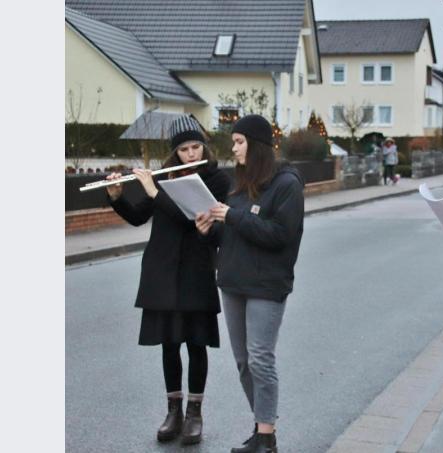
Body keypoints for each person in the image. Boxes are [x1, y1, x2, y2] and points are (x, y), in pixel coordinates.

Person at [105, 115, 230, 445]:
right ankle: (173, 411)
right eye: (184, 149)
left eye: (195, 147)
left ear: (203, 146)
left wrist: (153, 191)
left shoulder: (216, 180)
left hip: (197, 270)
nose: (191, 154)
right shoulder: (164, 177)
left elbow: (192, 219)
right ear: (175, 153)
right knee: (170, 343)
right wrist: (117, 196)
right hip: (161, 271)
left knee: (196, 343)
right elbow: (138, 217)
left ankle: (194, 414)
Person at [195, 114, 305, 453]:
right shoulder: (239, 184)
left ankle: (267, 437)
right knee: (243, 361)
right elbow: (234, 231)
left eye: (239, 142)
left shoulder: (287, 185)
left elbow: (281, 236)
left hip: (266, 285)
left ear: (256, 146)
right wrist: (211, 229)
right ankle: (260, 429)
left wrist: (233, 216)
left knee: (260, 358)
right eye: (234, 142)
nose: (234, 148)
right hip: (232, 281)